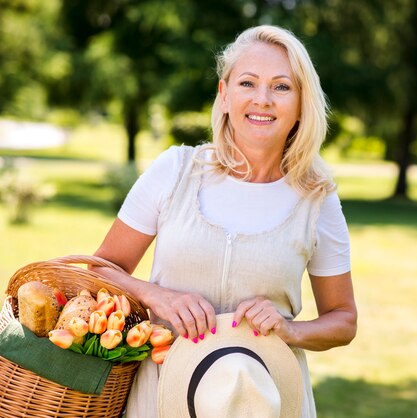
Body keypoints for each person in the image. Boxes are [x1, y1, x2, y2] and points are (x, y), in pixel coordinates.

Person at [90, 25, 357, 417]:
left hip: (264, 399)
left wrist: (290, 330)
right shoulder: (176, 170)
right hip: (163, 396)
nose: (262, 100)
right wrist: (155, 295)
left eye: (282, 87)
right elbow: (99, 270)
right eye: (247, 83)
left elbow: (344, 319)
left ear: (301, 103)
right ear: (224, 94)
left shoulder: (317, 199)